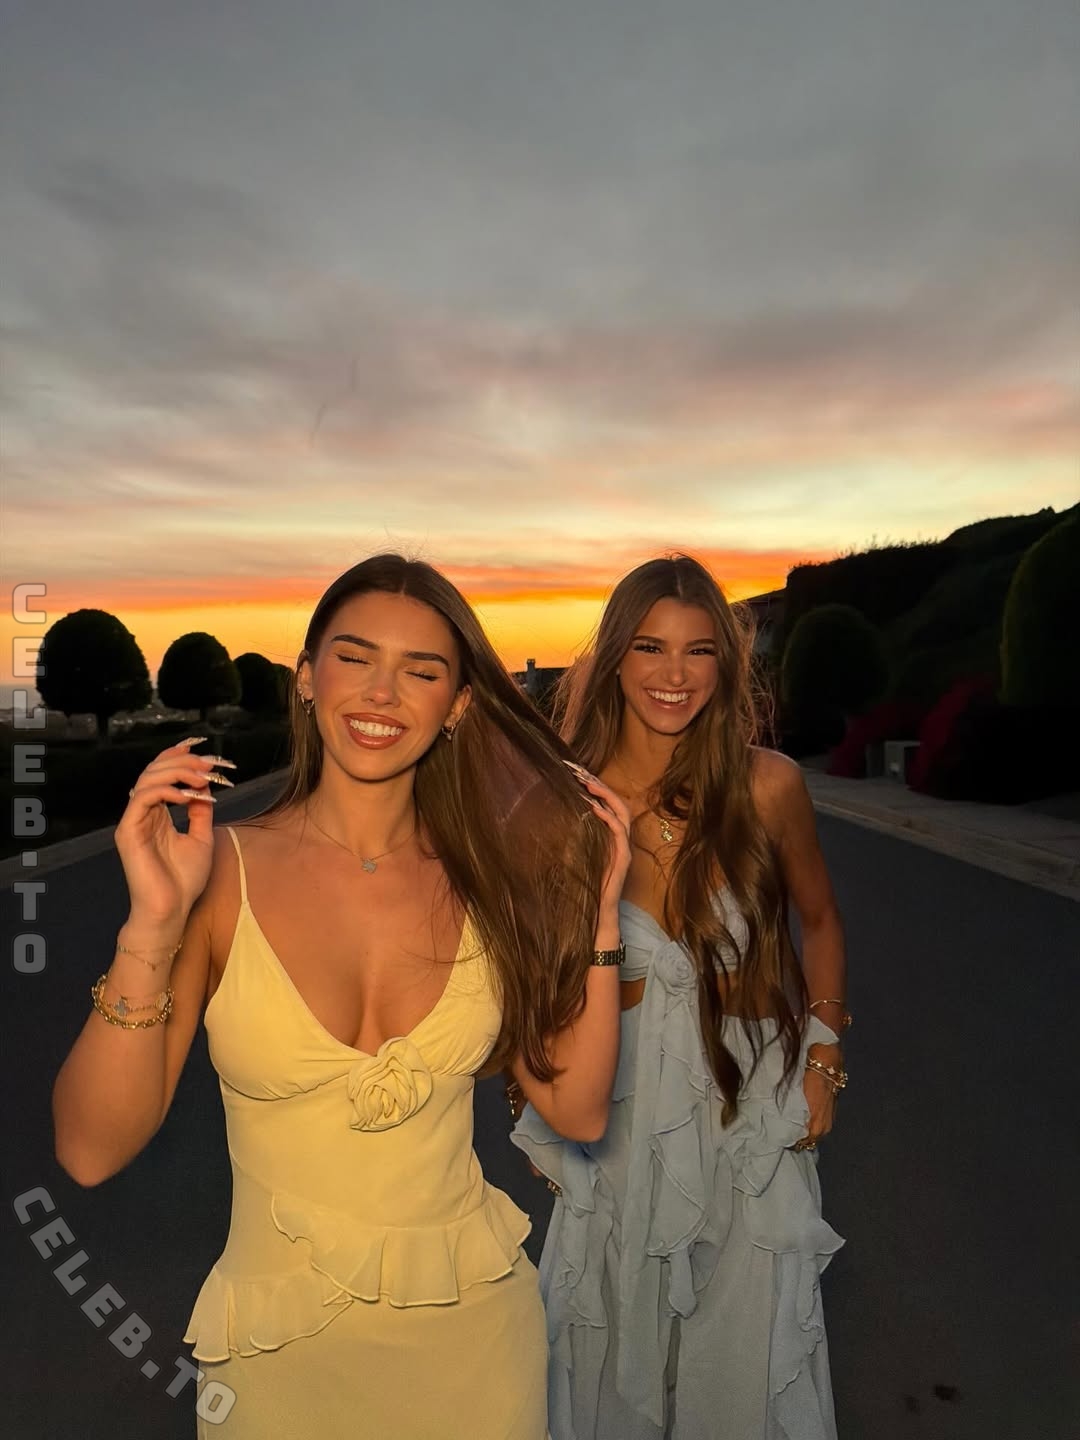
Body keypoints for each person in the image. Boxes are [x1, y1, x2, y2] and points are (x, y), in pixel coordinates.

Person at [53, 553, 631, 1440]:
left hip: (476, 1346)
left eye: (422, 671)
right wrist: (152, 925)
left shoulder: (492, 880)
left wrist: (599, 921)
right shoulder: (219, 876)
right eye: (355, 657)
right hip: (277, 1360)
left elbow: (578, 1110)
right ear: (307, 678)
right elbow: (91, 1150)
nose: (381, 692)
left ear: (458, 705)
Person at [511, 555, 847, 1440]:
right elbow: (528, 968)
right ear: (615, 657)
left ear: (725, 666)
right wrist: (531, 1096)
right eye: (650, 647)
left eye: (699, 650)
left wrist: (824, 1057)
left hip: (746, 1113)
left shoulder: (768, 785)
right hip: (613, 1113)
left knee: (740, 1355)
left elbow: (821, 922)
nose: (675, 673)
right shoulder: (564, 800)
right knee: (609, 1342)